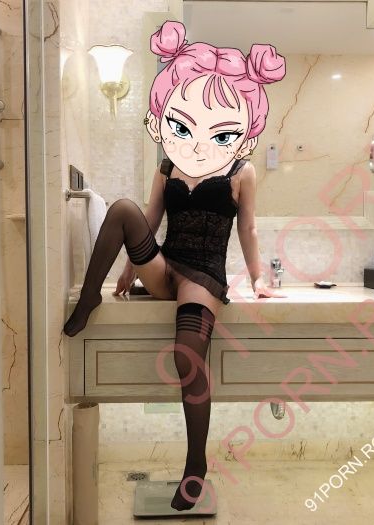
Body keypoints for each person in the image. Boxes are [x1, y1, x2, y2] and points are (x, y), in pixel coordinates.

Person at [63, 19, 286, 511]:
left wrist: (258, 278)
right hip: (167, 265)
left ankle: (195, 465)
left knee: (188, 356)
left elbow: (248, 229)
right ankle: (89, 299)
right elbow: (148, 218)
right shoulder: (168, 162)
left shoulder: (242, 169)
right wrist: (132, 264)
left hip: (203, 275)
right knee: (122, 208)